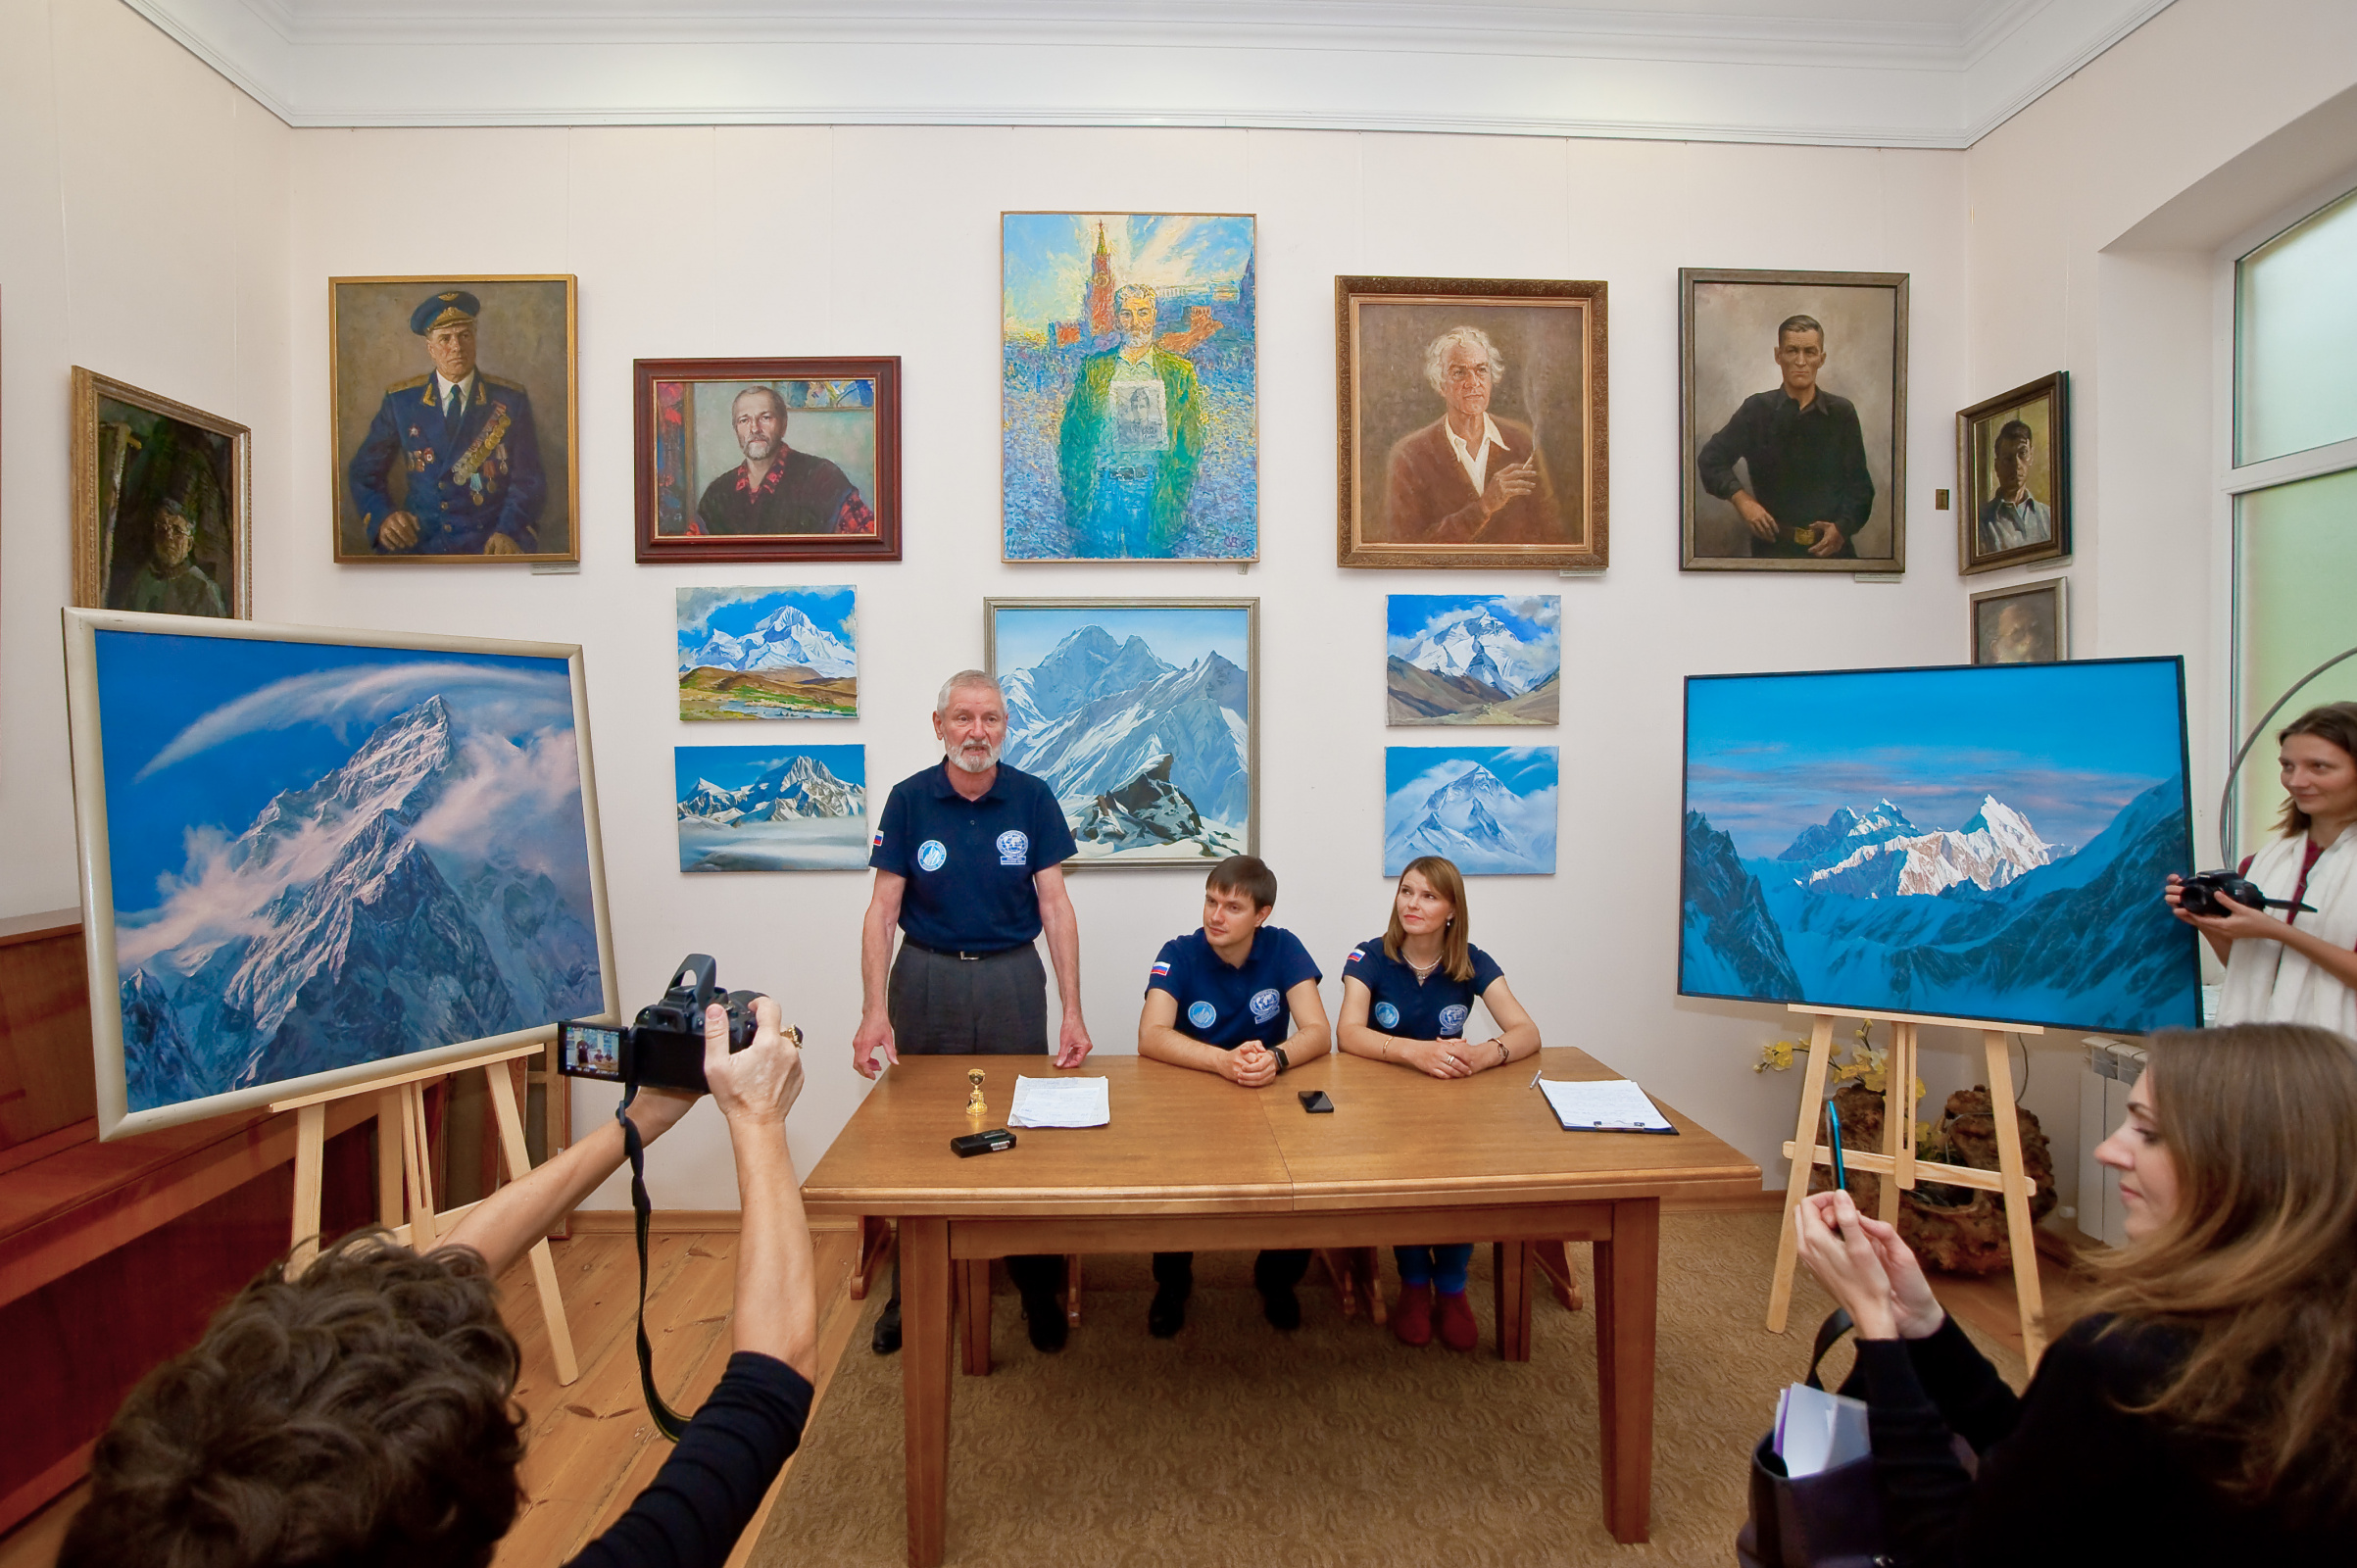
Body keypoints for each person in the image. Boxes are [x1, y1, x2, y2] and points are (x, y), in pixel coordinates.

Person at [60, 997, 818, 1568]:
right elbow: (766, 1386)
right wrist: (756, 1121)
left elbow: (445, 1273)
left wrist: (639, 1121)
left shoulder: (127, 1535)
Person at [1792, 1022, 2357, 1565]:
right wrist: (1923, 1324)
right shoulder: (2318, 1338)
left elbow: (1957, 1550)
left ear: (2245, 1168)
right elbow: (2049, 1465)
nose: (2108, 1150)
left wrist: (1877, 1333)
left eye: (2150, 1133)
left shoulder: (2130, 1360)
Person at [856, 669, 1095, 1355]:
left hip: (1011, 978)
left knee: (1022, 1129)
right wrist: (874, 1011)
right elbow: (882, 911)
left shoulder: (1032, 797)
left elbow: (1055, 906)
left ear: (1005, 727)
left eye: (989, 719)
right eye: (963, 718)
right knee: (919, 1135)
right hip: (925, 976)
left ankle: (1034, 1284)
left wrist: (1072, 1010)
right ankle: (910, 1289)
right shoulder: (907, 801)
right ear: (938, 727)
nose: (977, 732)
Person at [1335, 855, 1541, 1349]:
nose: (1413, 903)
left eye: (1428, 895)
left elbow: (1527, 1032)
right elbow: (1348, 1034)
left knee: (1458, 1186)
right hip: (1385, 1108)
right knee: (1405, 1185)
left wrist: (1483, 1055)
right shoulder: (1369, 957)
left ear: (1451, 908)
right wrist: (1414, 1051)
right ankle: (1411, 1282)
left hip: (1453, 1105)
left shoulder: (1472, 960)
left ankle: (1451, 1287)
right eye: (1407, 891)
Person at [1136, 854, 1332, 1337]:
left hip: (1266, 1091)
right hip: (1195, 1094)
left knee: (1299, 1181)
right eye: (1210, 901)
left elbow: (1319, 1032)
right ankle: (1172, 1282)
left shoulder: (1284, 948)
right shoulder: (1179, 952)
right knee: (1178, 1190)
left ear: (1262, 915)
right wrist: (1222, 1061)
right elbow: (1151, 1035)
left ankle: (1277, 1278)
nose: (1215, 916)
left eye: (1231, 907)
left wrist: (1277, 1058)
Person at [2166, 701, 2357, 1035]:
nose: (2296, 781)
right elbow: (2248, 967)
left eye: (2319, 767)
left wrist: (2276, 930)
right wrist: (2209, 922)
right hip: (2263, 1058)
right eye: (2287, 765)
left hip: (2341, 1062)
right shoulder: (2263, 863)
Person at [349, 289, 547, 555]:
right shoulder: (402, 402)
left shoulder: (510, 400)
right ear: (430, 348)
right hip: (422, 542)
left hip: (488, 542)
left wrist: (508, 531)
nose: (456, 347)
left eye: (464, 335)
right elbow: (364, 472)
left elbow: (528, 480)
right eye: (445, 338)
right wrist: (384, 516)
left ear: (475, 339)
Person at [1695, 313, 1874, 560]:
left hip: (1833, 553)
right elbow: (1710, 459)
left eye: (1810, 352)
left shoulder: (1842, 413)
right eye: (1792, 351)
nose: (1801, 361)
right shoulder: (1756, 410)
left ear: (1821, 359)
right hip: (1772, 552)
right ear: (1778, 356)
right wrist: (1742, 500)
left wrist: (1842, 528)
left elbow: (1861, 488)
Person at [1057, 282, 1205, 558]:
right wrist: (1077, 496)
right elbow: (1072, 438)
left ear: (1154, 316)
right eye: (1126, 314)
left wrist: (1175, 496)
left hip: (1153, 493)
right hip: (1102, 492)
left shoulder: (1179, 372)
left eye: (1143, 312)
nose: (1135, 322)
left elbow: (1190, 444)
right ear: (1116, 318)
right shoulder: (1095, 369)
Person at [1379, 324, 1557, 544]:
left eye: (1481, 370)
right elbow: (1405, 550)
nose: (1473, 383)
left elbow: (1551, 533)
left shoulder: (1520, 441)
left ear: (1492, 378)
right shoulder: (1410, 456)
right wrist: (1484, 507)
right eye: (1459, 372)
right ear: (1440, 385)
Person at [692, 385, 875, 536]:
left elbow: (869, 541)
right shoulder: (716, 494)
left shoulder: (823, 478)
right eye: (744, 420)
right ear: (736, 430)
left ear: (783, 424)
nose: (754, 428)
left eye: (765, 417)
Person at [123, 496, 226, 616]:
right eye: (162, 528)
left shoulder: (204, 589)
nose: (168, 536)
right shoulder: (141, 582)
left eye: (177, 530)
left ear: (189, 544)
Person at [1974, 418, 2052, 556]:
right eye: (2007, 458)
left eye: (2022, 453)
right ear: (1997, 466)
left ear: (2031, 456)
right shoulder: (1981, 520)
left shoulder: (2048, 516)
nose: (2016, 465)